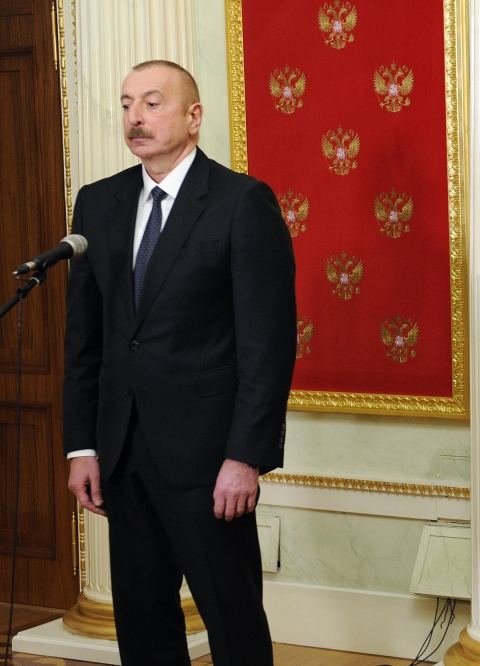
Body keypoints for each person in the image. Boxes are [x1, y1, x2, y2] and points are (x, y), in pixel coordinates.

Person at [63, 60, 296, 666]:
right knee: (142, 622)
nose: (134, 118)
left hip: (209, 460)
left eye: (151, 103)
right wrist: (81, 446)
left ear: (194, 117)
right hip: (121, 453)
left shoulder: (241, 202)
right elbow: (85, 339)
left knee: (232, 620)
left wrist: (245, 456)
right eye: (125, 105)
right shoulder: (98, 203)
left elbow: (268, 346)